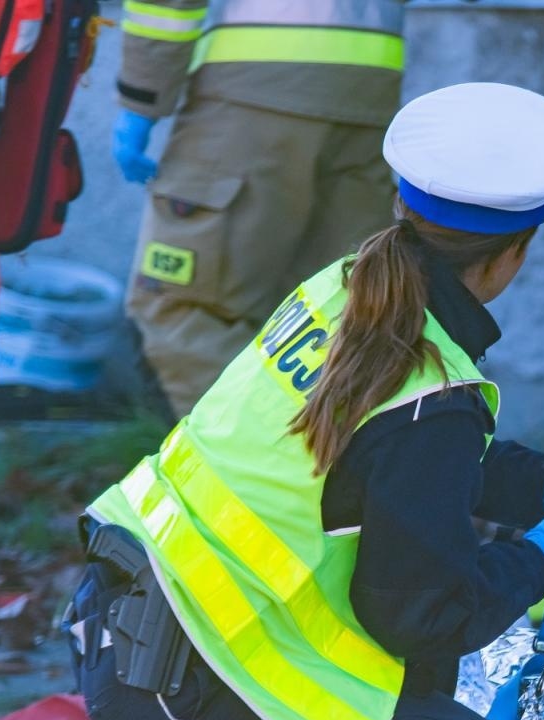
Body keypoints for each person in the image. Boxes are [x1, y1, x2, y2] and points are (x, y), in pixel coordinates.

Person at [71, 83, 544, 720]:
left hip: (118, 623)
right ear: (512, 254)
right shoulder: (429, 391)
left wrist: (537, 481)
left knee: (422, 694)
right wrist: (541, 556)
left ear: (405, 207)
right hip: (182, 687)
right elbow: (424, 615)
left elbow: (385, 462)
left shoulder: (345, 289)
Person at [113, 0, 409, 417]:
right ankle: (334, 454)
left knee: (188, 308)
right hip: (370, 97)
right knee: (338, 318)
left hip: (251, 90)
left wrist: (142, 94)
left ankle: (256, 452)